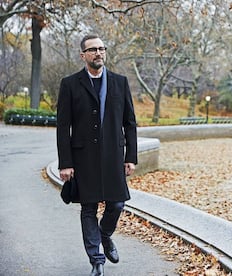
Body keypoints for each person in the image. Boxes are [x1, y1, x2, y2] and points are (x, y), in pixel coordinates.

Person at [56, 34, 137, 276]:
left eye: (101, 48)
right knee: (88, 208)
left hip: (113, 156)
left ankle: (105, 235)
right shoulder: (69, 84)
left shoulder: (119, 83)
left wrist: (130, 156)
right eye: (92, 50)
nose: (98, 53)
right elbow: (63, 126)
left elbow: (130, 123)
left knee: (117, 204)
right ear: (83, 55)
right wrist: (66, 163)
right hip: (83, 159)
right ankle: (96, 260)